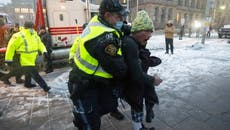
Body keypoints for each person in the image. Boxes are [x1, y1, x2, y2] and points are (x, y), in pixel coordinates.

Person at [67, 0, 128, 129]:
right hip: (84, 85)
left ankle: (83, 116)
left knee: (106, 106)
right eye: (118, 17)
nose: (121, 20)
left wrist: (127, 29)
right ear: (107, 15)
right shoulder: (103, 39)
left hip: (92, 80)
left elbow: (119, 27)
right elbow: (118, 68)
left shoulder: (97, 22)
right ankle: (81, 119)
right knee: (90, 123)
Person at [121, 10, 163, 130]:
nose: (150, 35)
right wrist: (153, 80)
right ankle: (138, 128)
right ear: (138, 31)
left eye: (151, 31)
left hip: (132, 84)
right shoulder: (130, 44)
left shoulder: (134, 41)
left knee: (137, 104)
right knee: (137, 104)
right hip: (130, 85)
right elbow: (136, 74)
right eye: (147, 31)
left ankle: (139, 126)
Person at [5, 21, 50, 92]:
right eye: (30, 27)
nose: (31, 29)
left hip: (32, 58)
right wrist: (8, 59)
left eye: (32, 27)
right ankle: (45, 86)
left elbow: (40, 44)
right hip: (23, 59)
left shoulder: (34, 35)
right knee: (34, 73)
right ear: (26, 27)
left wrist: (44, 51)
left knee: (26, 72)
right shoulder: (18, 35)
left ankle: (27, 83)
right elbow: (11, 47)